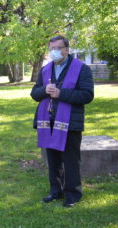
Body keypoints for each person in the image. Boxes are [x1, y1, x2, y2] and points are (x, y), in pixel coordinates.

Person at [31, 36, 94, 207]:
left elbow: (87, 95)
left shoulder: (81, 69)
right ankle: (55, 190)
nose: (55, 52)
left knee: (70, 160)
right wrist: (44, 90)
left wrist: (62, 93)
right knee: (53, 160)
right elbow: (34, 93)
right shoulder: (45, 69)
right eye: (52, 48)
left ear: (67, 49)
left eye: (58, 48)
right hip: (48, 120)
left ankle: (73, 194)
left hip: (69, 122)